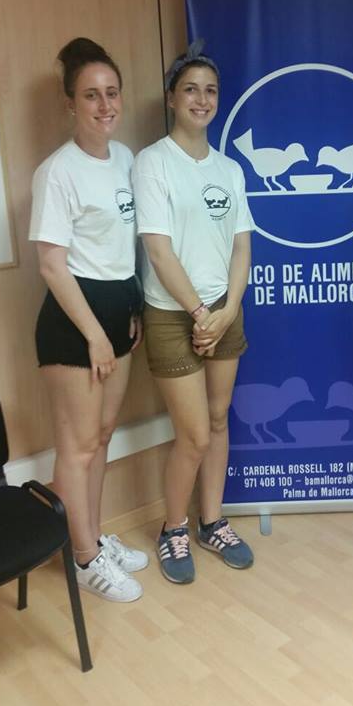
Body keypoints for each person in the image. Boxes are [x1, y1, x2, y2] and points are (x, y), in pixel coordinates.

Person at [29, 37, 148, 602]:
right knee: (76, 447)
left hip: (119, 316)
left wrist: (132, 310)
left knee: (101, 436)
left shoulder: (124, 158)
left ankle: (93, 538)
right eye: (91, 95)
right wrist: (96, 336)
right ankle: (82, 559)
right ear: (70, 104)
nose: (105, 105)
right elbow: (51, 264)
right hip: (75, 326)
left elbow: (123, 249)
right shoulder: (57, 171)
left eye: (112, 93)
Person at [132, 41, 254, 585]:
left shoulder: (230, 168)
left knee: (219, 419)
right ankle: (173, 528)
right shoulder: (152, 162)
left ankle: (212, 522)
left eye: (210, 91)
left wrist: (228, 309)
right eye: (190, 90)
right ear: (171, 98)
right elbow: (158, 251)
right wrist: (202, 313)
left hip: (224, 311)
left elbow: (242, 246)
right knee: (195, 436)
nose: (201, 99)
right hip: (172, 314)